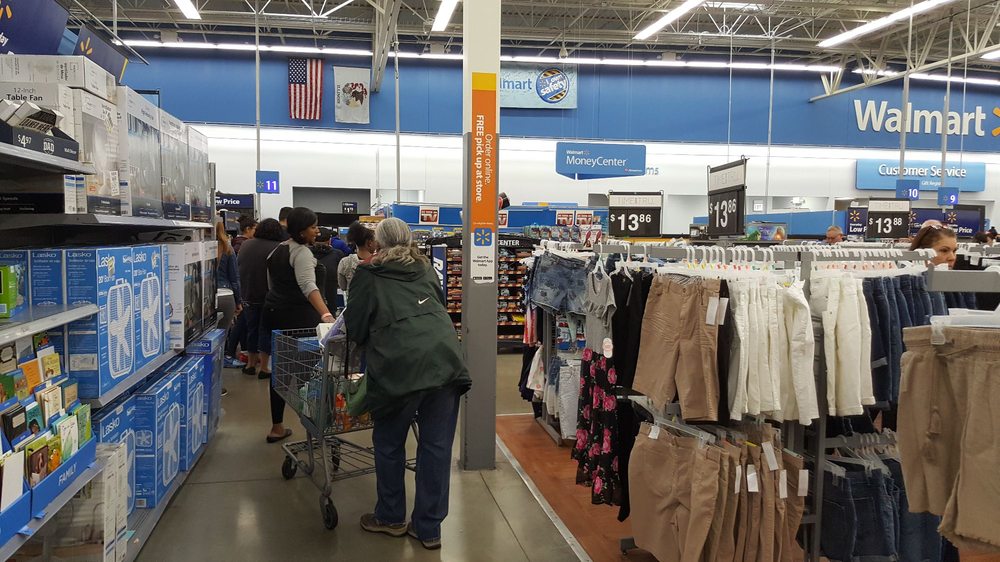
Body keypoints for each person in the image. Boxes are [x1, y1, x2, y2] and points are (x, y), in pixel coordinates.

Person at [345, 218, 471, 550]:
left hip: (398, 366)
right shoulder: (426, 268)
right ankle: (428, 528)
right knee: (436, 447)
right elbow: (436, 306)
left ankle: (390, 517)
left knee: (389, 443)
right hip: (445, 361)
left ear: (376, 243)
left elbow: (356, 327)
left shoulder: (368, 274)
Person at [262, 207, 334, 443]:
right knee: (308, 373)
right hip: (300, 319)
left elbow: (271, 283)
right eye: (313, 227)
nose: (317, 231)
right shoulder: (301, 252)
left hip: (275, 314)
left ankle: (277, 426)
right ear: (302, 230)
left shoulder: (278, 250)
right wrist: (326, 315)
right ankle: (312, 424)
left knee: (281, 371)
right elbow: (308, 286)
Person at [237, 218, 284, 379]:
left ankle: (250, 365)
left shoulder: (246, 245)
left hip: (248, 295)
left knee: (252, 330)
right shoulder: (278, 247)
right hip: (269, 296)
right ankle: (264, 367)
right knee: (266, 331)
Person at [215, 220, 242, 386]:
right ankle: (217, 385)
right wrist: (238, 301)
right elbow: (235, 278)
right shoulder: (227, 248)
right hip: (225, 296)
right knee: (220, 342)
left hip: (203, 298)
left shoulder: (199, 246)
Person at [338, 221, 377, 297]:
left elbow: (343, 287)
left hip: (352, 302)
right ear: (369, 242)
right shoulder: (379, 262)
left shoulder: (345, 262)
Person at [311, 227, 345, 305]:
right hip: (331, 295)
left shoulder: (306, 253)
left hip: (310, 297)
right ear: (329, 240)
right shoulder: (337, 254)